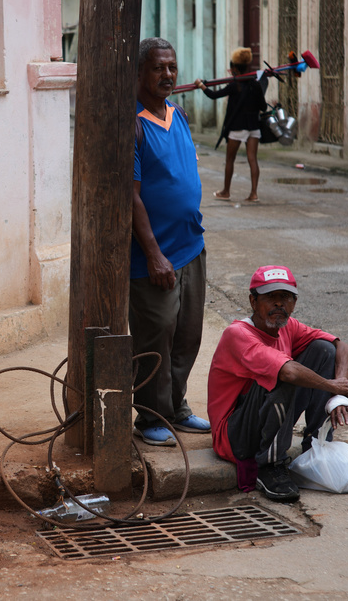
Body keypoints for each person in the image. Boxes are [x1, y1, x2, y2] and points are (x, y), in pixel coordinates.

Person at [207, 265, 348, 502]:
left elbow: (342, 347)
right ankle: (270, 466)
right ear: (253, 302)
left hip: (263, 417)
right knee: (281, 376)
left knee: (324, 350)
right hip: (234, 435)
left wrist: (340, 394)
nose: (279, 304)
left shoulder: (288, 327)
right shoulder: (238, 334)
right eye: (270, 297)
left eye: (285, 297)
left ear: (294, 303)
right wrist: (333, 387)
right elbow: (289, 373)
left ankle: (317, 444)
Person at [130, 37, 211, 447]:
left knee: (187, 334)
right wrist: (153, 253)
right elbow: (132, 196)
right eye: (159, 68)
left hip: (190, 246)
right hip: (154, 257)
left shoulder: (177, 115)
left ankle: (176, 407)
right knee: (155, 334)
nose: (168, 75)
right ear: (141, 72)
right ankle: (149, 416)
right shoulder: (133, 122)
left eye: (172, 67)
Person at [195, 47, 269, 203]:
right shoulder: (255, 84)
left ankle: (226, 192)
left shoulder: (234, 85)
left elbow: (214, 95)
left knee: (230, 160)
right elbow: (263, 107)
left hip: (237, 127)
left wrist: (201, 85)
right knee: (252, 159)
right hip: (253, 127)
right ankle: (254, 193)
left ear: (234, 68)